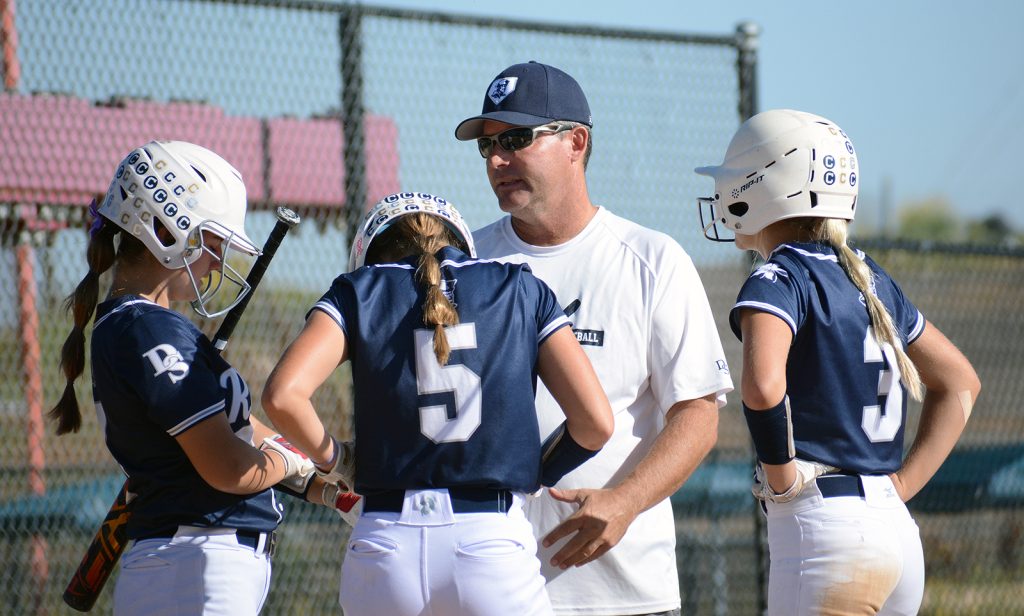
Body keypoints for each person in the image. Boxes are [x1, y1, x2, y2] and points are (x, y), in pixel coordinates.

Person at [455, 61, 734, 616]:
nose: (496, 160)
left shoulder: (652, 260)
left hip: (623, 593)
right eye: (486, 146)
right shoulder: (464, 261)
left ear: (576, 142)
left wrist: (625, 503)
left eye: (514, 139)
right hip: (489, 587)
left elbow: (699, 413)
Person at [261, 191, 614, 616]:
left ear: (370, 251)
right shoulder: (522, 287)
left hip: (385, 539)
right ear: (460, 241)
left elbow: (282, 397)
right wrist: (529, 473)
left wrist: (337, 459)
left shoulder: (357, 290)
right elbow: (595, 423)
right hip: (491, 537)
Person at [695, 108, 981, 615]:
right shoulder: (872, 278)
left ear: (765, 185)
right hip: (895, 531)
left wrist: (781, 478)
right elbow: (960, 382)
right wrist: (903, 485)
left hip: (826, 528)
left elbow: (762, 388)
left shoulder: (778, 277)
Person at [49, 140, 331, 615]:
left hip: (194, 564)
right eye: (213, 243)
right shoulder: (147, 329)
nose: (219, 262)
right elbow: (228, 466)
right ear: (163, 230)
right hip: (194, 566)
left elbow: (239, 430)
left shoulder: (152, 326)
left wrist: (314, 477)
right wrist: (284, 465)